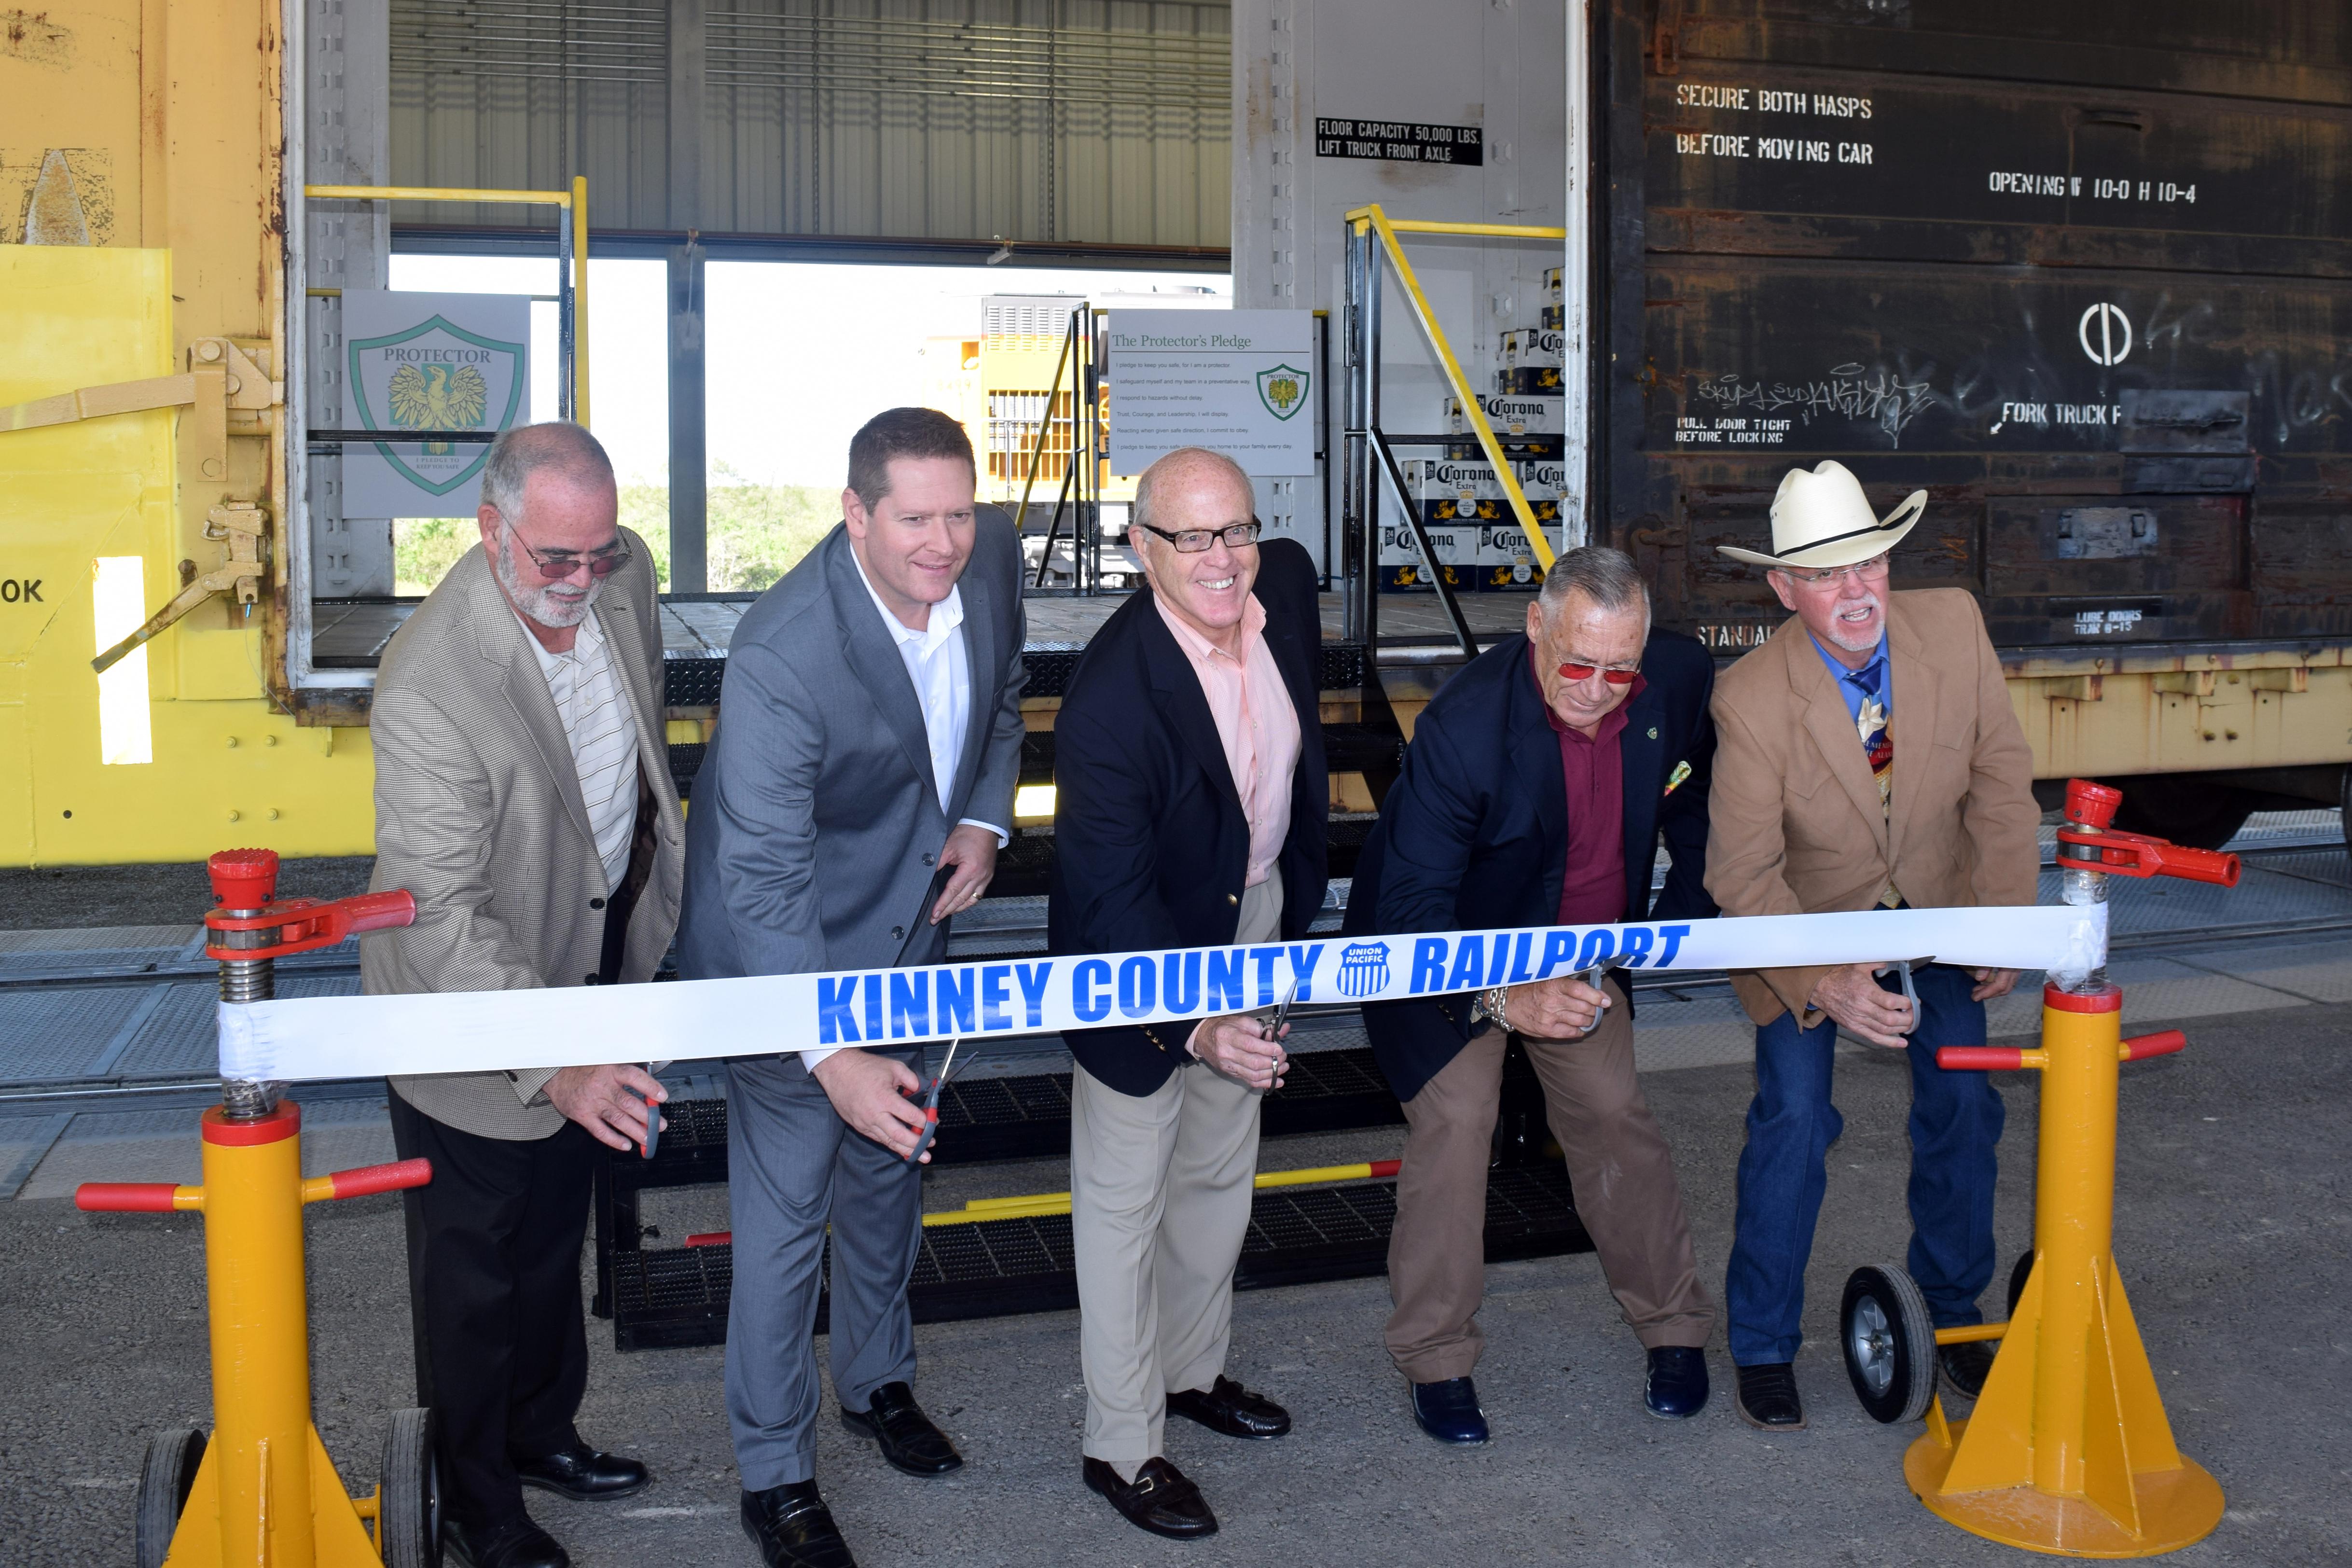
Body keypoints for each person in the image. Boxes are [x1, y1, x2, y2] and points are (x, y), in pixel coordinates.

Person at [675, 407, 1026, 1568]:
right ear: (855, 512)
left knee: (889, 1177)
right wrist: (826, 1050)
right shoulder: (785, 651)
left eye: (960, 513)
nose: (944, 542)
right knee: (786, 1227)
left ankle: (877, 1382)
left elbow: (1004, 703)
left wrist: (981, 819)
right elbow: (763, 877)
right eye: (915, 518)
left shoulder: (993, 565)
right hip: (789, 960)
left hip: (910, 937)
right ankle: (774, 1474)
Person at [364, 421, 684, 1568]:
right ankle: (476, 1497)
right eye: (555, 558)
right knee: (475, 1275)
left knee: (557, 1238)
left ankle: (544, 1430)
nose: (581, 581)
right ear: (490, 530)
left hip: (589, 970)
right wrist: (553, 1058)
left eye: (596, 553)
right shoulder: (429, 686)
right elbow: (439, 911)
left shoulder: (618, 569)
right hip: (478, 1014)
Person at [1343, 545, 1719, 1444]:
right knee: (1456, 1126)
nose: (1596, 688)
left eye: (1617, 668)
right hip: (1449, 954)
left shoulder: (1670, 675)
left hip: (1581, 943)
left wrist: (1691, 897)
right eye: (1577, 663)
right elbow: (1410, 906)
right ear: (1535, 628)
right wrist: (1506, 997)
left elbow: (1696, 784)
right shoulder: (1463, 728)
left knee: (1614, 1114)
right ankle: (1434, 1353)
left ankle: (1672, 1325)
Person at [1708, 459, 2039, 1431]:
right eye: (1824, 573)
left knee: (1964, 1104)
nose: (1854, 590)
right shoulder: (1751, 696)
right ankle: (1763, 1342)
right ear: (1782, 587)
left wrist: (2004, 914)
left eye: (1869, 563)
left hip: (1939, 905)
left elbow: (1999, 773)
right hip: (1805, 924)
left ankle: (1950, 1311)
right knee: (1795, 1118)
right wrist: (1826, 980)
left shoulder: (1955, 626)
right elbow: (1740, 875)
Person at [1047, 446, 1328, 1541]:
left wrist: (1282, 935)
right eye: (1193, 538)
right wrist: (1197, 1020)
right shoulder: (1110, 702)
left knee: (1218, 1168)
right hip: (1140, 959)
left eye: (1238, 530)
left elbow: (1289, 780)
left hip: (1247, 912)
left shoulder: (1283, 592)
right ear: (1140, 547)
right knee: (1125, 1202)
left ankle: (1191, 1373)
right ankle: (1121, 1444)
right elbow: (1111, 896)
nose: (1226, 559)